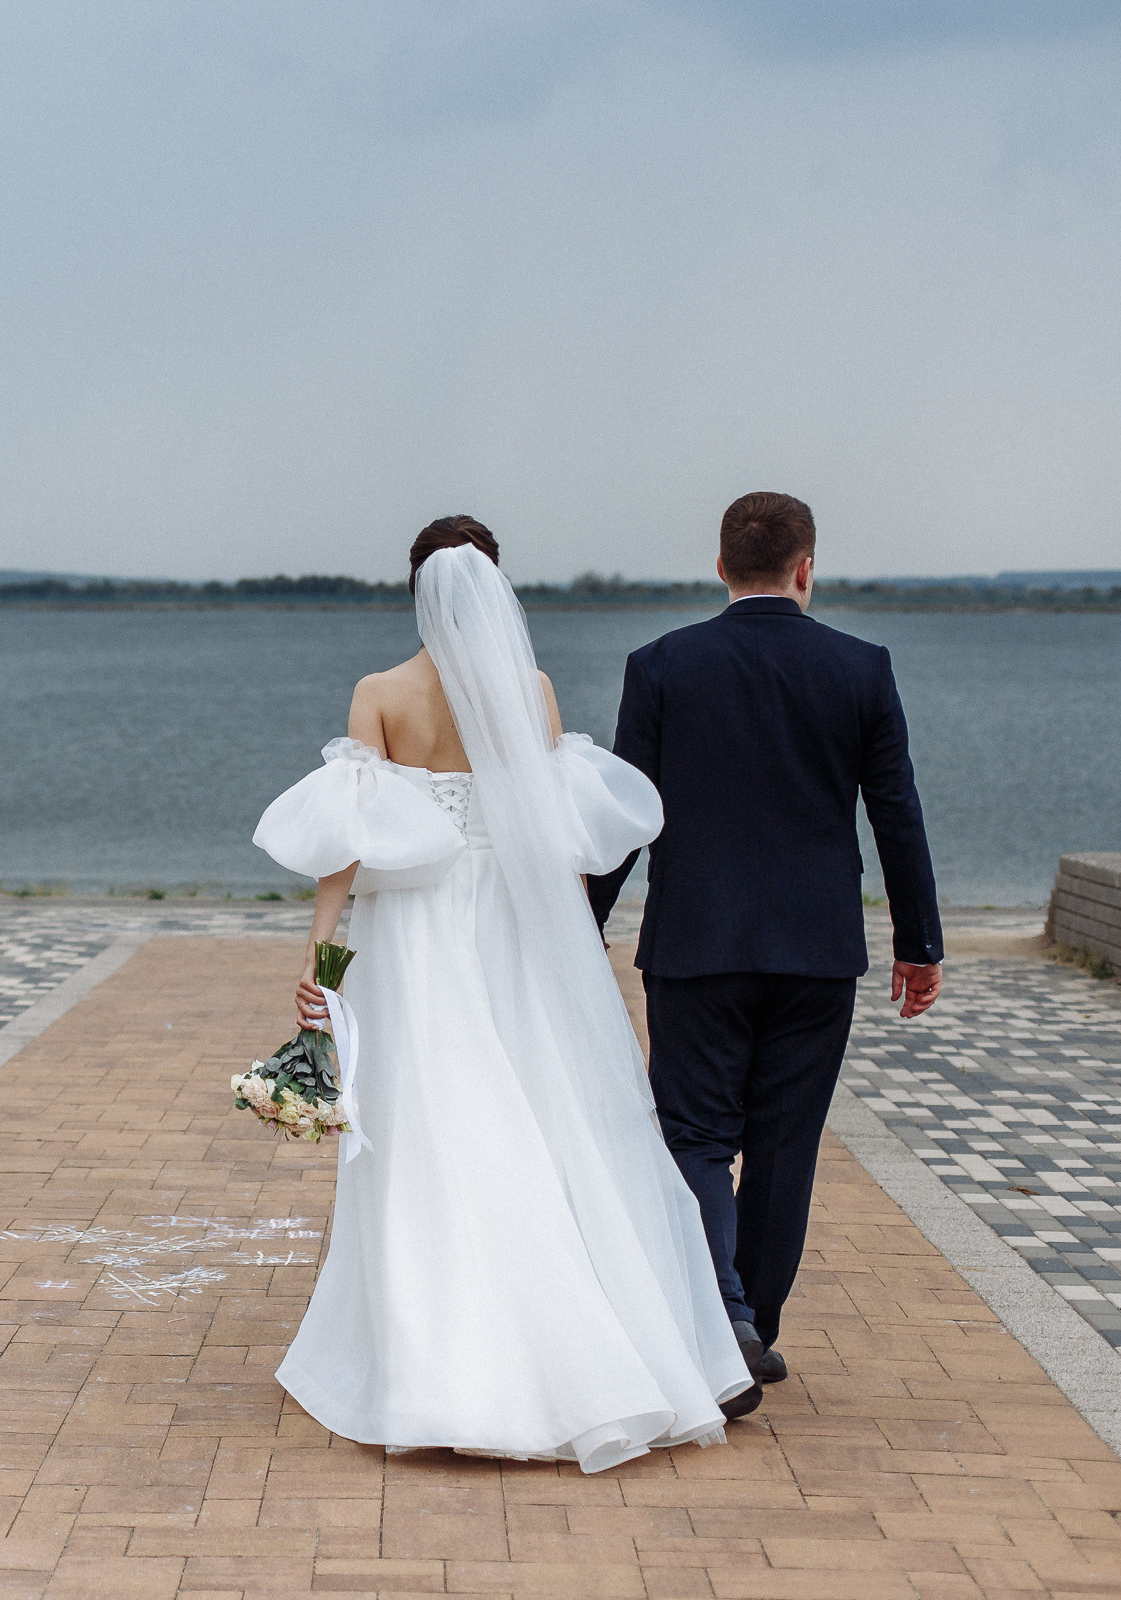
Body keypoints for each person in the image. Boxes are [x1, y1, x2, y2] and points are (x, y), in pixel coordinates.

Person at [254, 517, 754, 1472]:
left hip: (418, 932)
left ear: (415, 588)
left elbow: (346, 850)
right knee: (538, 1111)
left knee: (432, 1126)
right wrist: (575, 954)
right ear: (494, 590)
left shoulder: (380, 695)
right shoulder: (531, 693)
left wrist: (320, 963)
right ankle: (578, 1345)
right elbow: (558, 840)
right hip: (516, 926)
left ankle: (440, 1364)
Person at [588, 491, 942, 1408]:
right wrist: (919, 941)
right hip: (817, 950)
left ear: (719, 568)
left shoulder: (661, 665)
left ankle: (724, 1323)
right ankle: (750, 1328)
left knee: (696, 1138)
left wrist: (578, 921)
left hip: (696, 946)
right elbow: (894, 809)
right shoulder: (861, 667)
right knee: (786, 1146)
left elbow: (628, 818)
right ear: (807, 567)